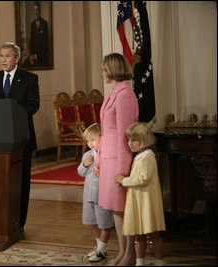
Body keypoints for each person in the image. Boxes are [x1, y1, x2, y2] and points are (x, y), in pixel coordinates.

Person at [0, 42, 40, 233]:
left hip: (21, 139)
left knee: (20, 183)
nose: (3, 59)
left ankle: (18, 223)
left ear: (16, 58)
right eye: (1, 55)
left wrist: (13, 114)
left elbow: (33, 105)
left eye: (7, 56)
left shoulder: (29, 78)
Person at [93, 53, 139, 265]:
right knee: (115, 208)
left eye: (104, 69)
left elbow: (125, 134)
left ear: (113, 70)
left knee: (123, 208)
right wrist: (99, 160)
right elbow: (105, 130)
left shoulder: (125, 94)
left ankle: (130, 254)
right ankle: (122, 251)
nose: (102, 73)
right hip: (108, 158)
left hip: (119, 161)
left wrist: (123, 169)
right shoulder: (113, 92)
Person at [114, 122, 166, 266]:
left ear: (145, 139)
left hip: (147, 202)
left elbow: (142, 179)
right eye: (129, 140)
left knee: (154, 234)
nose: (130, 143)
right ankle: (139, 261)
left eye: (134, 140)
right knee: (139, 235)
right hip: (138, 201)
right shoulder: (139, 157)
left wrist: (124, 180)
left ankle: (160, 261)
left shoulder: (147, 158)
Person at [77, 123, 114, 263]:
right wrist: (85, 164)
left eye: (93, 139)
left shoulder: (107, 155)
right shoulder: (87, 155)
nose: (89, 143)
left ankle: (102, 248)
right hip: (88, 197)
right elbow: (80, 172)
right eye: (87, 140)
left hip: (102, 196)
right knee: (93, 222)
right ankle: (100, 247)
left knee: (104, 223)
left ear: (102, 138)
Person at [26, 2, 49, 66]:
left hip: (42, 56)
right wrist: (31, 56)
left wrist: (35, 56)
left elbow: (45, 44)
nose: (36, 12)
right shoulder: (32, 24)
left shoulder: (45, 23)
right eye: (34, 10)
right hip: (33, 56)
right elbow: (32, 41)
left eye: (37, 10)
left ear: (39, 11)